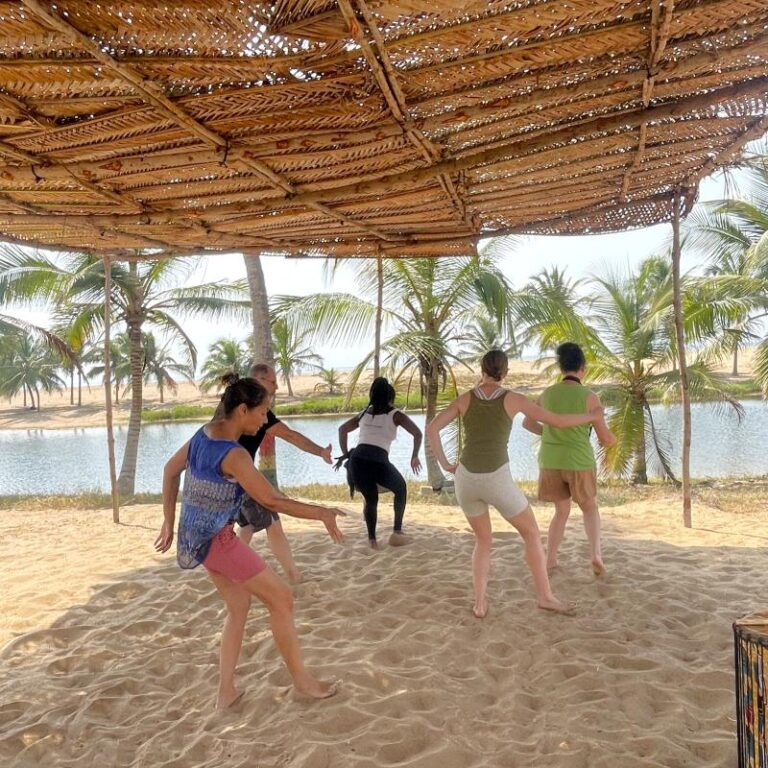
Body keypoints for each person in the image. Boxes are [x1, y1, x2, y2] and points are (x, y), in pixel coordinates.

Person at [154, 374, 346, 709]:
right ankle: (303, 682)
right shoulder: (235, 455)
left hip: (196, 538)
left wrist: (170, 522)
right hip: (218, 541)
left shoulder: (203, 434)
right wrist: (322, 513)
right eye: (262, 412)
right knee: (282, 599)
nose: (264, 420)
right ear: (243, 410)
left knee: (239, 607)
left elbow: (170, 471)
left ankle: (225, 692)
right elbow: (271, 501)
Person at [426, 349, 607, 619]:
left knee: (483, 540)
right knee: (532, 534)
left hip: (465, 479)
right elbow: (557, 421)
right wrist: (591, 417)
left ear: (482, 370)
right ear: (506, 372)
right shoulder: (513, 399)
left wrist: (445, 464)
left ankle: (480, 603)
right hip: (496, 478)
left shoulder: (465, 399)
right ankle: (545, 597)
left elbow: (431, 428)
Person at [522, 342, 616, 577]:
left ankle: (551, 559)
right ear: (582, 368)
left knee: (561, 511)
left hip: (551, 460)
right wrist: (613, 440)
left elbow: (527, 422)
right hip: (578, 461)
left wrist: (550, 433)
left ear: (561, 368)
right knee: (590, 508)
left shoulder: (548, 393)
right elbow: (605, 438)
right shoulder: (589, 397)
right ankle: (595, 554)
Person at [236, 363, 333, 584]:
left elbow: (289, 435)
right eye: (272, 382)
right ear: (259, 381)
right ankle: (294, 576)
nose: (277, 387)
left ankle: (232, 571)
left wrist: (320, 452)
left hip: (234, 475)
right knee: (273, 522)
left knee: (248, 526)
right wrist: (320, 452)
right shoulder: (251, 408)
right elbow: (290, 436)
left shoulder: (239, 403)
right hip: (239, 475)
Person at [336, 377, 422, 549]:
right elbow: (417, 433)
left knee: (371, 499)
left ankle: (372, 541)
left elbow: (342, 429)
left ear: (372, 394)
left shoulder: (364, 413)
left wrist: (346, 454)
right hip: (377, 460)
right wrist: (414, 456)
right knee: (400, 488)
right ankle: (397, 531)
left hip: (357, 460)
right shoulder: (395, 414)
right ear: (391, 395)